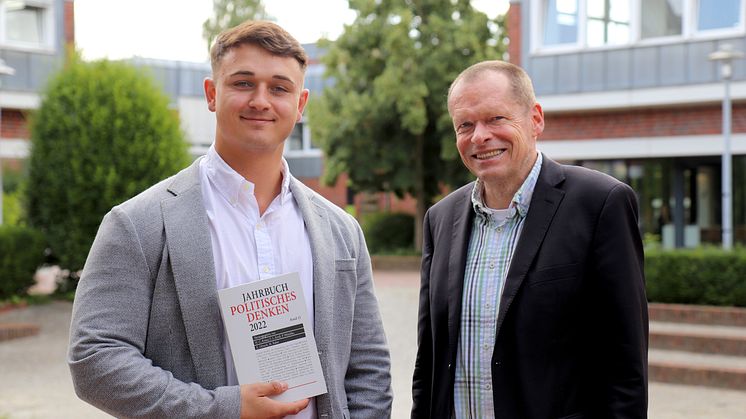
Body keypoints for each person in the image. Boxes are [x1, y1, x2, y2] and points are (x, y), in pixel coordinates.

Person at [68, 21, 392, 419]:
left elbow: (369, 370)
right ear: (211, 93)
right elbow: (95, 359)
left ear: (301, 104)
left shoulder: (341, 231)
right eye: (243, 83)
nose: (261, 100)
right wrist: (221, 409)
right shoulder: (137, 224)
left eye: (279, 87)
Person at [411, 60, 648, 418]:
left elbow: (625, 363)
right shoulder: (441, 218)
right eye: (465, 125)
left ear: (535, 119)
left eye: (496, 119)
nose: (479, 137)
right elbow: (429, 360)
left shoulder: (600, 203)